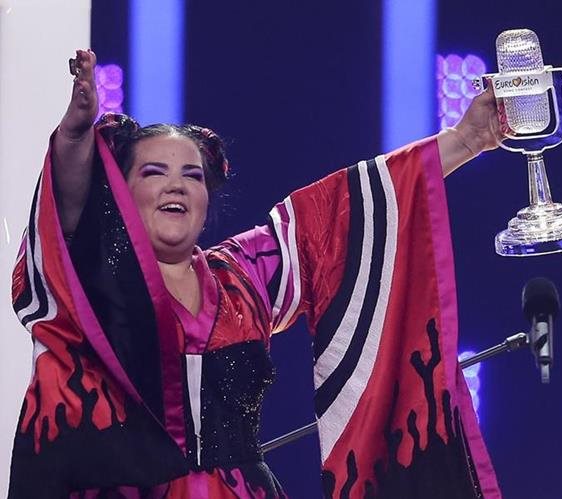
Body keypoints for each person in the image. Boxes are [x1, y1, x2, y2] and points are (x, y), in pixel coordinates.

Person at [8, 49, 507, 498]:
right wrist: (74, 136)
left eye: (192, 176)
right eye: (154, 172)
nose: (176, 185)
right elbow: (63, 219)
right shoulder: (97, 281)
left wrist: (466, 139)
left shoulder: (241, 276)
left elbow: (344, 212)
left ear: (207, 199)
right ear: (121, 193)